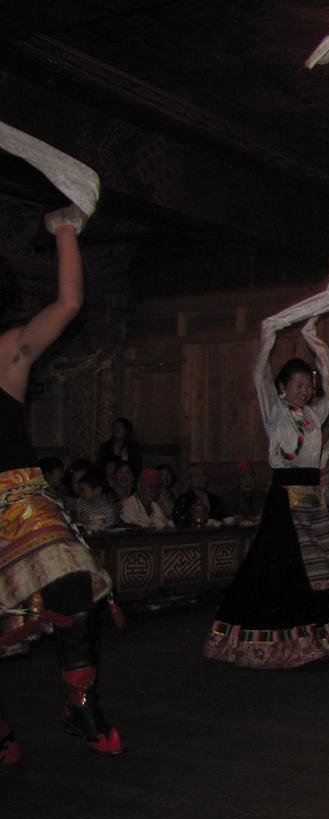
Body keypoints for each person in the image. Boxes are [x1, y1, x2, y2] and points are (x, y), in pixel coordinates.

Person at [0, 204, 123, 764]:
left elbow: (69, 304)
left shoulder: (8, 352)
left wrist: (65, 229)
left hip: (18, 496)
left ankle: (81, 704)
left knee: (73, 586)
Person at [202, 315, 329, 668]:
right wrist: (268, 337)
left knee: (311, 572)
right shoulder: (275, 411)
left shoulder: (314, 416)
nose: (305, 390)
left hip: (310, 499)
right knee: (277, 566)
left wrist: (315, 341)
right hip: (284, 500)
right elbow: (259, 375)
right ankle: (267, 640)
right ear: (282, 387)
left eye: (308, 385)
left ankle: (315, 641)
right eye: (298, 385)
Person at [173, 464, 226, 528]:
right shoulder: (183, 500)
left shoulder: (214, 499)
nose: (201, 478)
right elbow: (179, 520)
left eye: (203, 475)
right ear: (189, 479)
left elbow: (223, 516)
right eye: (196, 475)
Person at [73, 464, 118, 531]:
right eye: (80, 490)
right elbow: (74, 523)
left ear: (97, 491)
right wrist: (80, 519)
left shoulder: (107, 510)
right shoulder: (79, 503)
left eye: (83, 491)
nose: (80, 493)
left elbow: (110, 530)